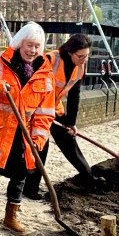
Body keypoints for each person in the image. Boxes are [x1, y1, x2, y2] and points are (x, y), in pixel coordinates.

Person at [0, 22, 55, 235]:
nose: (32, 50)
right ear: (19, 43)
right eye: (29, 45)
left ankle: (10, 217)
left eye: (37, 46)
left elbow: (45, 113)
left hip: (23, 137)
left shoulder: (44, 74)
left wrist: (38, 141)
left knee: (19, 177)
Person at [25, 33, 97, 199]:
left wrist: (71, 122)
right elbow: (29, 82)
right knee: (41, 146)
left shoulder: (80, 66)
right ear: (70, 52)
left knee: (69, 141)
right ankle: (30, 188)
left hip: (55, 108)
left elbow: (74, 95)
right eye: (80, 56)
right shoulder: (49, 60)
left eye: (87, 56)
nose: (84, 59)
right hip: (37, 109)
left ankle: (88, 177)